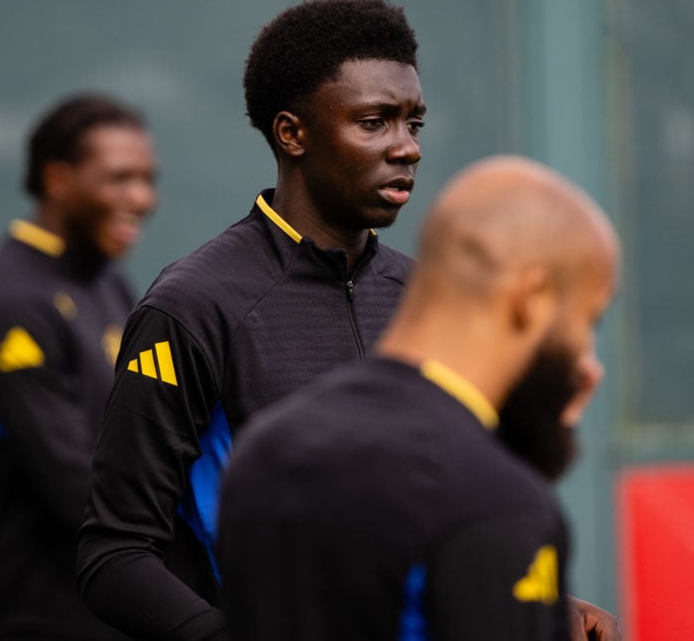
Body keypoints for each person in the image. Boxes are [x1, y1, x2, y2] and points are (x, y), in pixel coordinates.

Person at [77, 0, 619, 641]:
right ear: (292, 133)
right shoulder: (194, 305)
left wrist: (535, 604)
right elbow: (115, 553)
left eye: (413, 123)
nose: (407, 148)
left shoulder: (420, 297)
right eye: (374, 122)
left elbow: (430, 518)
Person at [217, 155, 621, 641]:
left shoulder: (267, 448)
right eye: (587, 322)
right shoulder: (490, 496)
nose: (589, 363)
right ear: (531, 298)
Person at [0, 94, 157, 640]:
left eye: (147, 179)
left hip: (105, 610)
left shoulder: (106, 279)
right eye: (119, 178)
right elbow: (77, 486)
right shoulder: (16, 302)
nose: (141, 197)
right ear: (57, 179)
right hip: (32, 619)